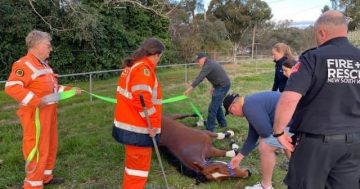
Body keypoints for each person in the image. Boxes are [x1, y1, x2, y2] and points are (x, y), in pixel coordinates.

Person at [273, 10, 360, 189]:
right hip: (355, 142)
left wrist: (279, 132)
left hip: (316, 143)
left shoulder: (312, 58)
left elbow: (289, 99)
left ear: (322, 32)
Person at [5, 30, 80, 189]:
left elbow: (53, 89)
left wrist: (70, 90)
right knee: (37, 148)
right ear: (37, 45)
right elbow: (11, 87)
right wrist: (35, 101)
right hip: (35, 115)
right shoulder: (23, 64)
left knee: (51, 145)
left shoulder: (44, 65)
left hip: (49, 113)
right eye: (48, 45)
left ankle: (45, 177)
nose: (51, 49)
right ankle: (32, 184)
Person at [112, 38, 165, 189]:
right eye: (159, 57)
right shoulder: (143, 70)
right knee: (138, 172)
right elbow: (143, 101)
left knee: (133, 169)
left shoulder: (134, 66)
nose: (158, 60)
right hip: (139, 128)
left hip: (131, 125)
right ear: (155, 54)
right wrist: (153, 125)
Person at [223, 91, 292, 189]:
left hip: (293, 122)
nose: (233, 115)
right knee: (278, 139)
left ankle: (266, 186)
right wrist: (239, 157)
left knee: (265, 146)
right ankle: (298, 170)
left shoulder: (249, 107)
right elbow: (253, 135)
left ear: (233, 107)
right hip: (295, 118)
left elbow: (265, 132)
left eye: (230, 113)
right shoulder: (250, 103)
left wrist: (264, 131)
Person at [184, 52, 231, 131]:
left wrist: (189, 89)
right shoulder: (209, 64)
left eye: (199, 59)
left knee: (212, 109)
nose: (197, 61)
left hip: (222, 86)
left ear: (204, 58)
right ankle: (223, 124)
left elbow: (200, 78)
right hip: (220, 85)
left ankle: (209, 130)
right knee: (217, 105)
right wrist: (214, 86)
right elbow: (216, 75)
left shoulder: (208, 65)